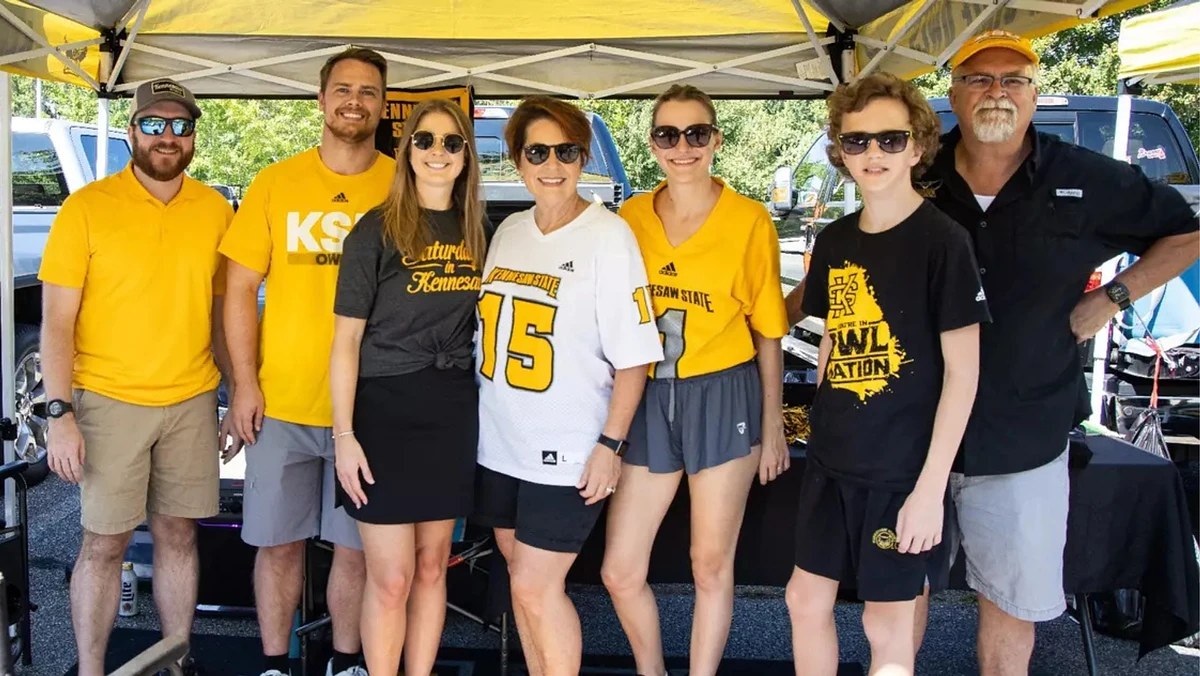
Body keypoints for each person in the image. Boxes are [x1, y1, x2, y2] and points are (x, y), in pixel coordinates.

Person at [786, 30, 1200, 675]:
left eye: (1014, 79)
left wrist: (1112, 298)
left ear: (1035, 93)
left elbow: (1186, 232)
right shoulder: (915, 175)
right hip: (904, 442)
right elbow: (834, 305)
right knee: (897, 602)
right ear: (952, 95)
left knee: (1009, 602)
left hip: (1020, 432)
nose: (996, 91)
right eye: (979, 78)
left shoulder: (1087, 177)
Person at [785, 73, 990, 676]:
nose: (873, 153)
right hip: (831, 461)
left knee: (886, 624)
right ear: (841, 151)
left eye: (890, 139)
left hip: (902, 473)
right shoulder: (836, 239)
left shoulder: (944, 241)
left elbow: (964, 375)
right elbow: (832, 335)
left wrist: (929, 491)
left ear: (917, 145)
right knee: (803, 601)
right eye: (857, 141)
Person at [39, 78, 233, 676]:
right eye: (154, 123)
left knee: (179, 535)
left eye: (180, 125)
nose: (167, 136)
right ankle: (91, 668)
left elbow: (221, 316)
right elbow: (56, 323)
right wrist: (58, 413)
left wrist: (235, 393)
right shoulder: (86, 208)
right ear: (131, 131)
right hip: (108, 401)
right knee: (104, 543)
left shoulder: (216, 210)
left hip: (192, 398)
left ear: (193, 136)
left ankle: (177, 660)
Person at [599, 84, 791, 676]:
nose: (682, 146)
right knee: (619, 570)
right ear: (652, 144)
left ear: (716, 140)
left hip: (723, 392)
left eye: (696, 133)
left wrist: (774, 425)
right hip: (649, 395)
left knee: (709, 564)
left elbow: (768, 331)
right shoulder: (630, 217)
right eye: (667, 134)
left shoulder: (749, 219)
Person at [471, 96, 664, 676]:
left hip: (568, 448)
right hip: (500, 443)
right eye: (537, 152)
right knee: (518, 575)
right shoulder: (508, 231)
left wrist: (610, 445)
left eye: (567, 151)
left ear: (584, 158)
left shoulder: (609, 236)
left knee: (536, 585)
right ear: (516, 160)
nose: (551, 164)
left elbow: (634, 357)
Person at [219, 47, 396, 676]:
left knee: (356, 551)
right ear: (320, 100)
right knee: (277, 545)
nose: (354, 101)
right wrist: (242, 385)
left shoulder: (402, 184)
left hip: (369, 409)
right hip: (284, 400)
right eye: (342, 89)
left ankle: (346, 663)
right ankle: (275, 664)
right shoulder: (276, 182)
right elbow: (239, 289)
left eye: (368, 91)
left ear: (383, 105)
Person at [330, 98, 490, 676]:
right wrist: (344, 436)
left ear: (466, 155)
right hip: (382, 415)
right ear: (406, 151)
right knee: (392, 577)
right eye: (425, 140)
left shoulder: (479, 231)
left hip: (451, 411)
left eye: (451, 142)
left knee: (431, 568)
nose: (437, 152)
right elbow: (345, 341)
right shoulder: (374, 229)